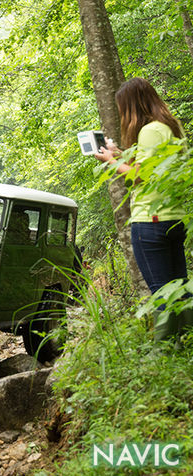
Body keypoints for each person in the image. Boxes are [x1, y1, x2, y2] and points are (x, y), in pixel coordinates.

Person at [94, 77, 189, 339]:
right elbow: (156, 169)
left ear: (132, 106)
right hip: (175, 218)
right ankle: (187, 343)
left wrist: (110, 161)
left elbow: (141, 176)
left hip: (151, 220)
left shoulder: (148, 131)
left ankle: (164, 351)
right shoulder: (170, 127)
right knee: (179, 286)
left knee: (160, 290)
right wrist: (120, 153)